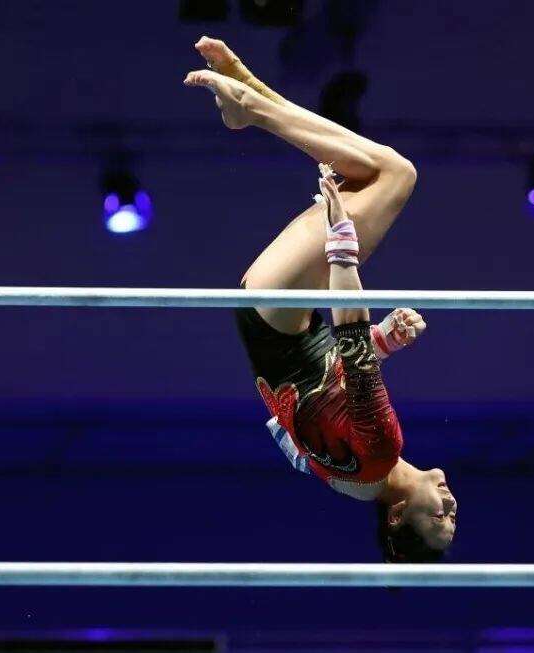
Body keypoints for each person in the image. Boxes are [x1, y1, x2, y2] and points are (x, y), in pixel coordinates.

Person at [185, 37, 457, 562]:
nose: (450, 505)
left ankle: (253, 108)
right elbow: (320, 395)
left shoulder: (381, 453)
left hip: (283, 305)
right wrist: (386, 342)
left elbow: (349, 344)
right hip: (272, 313)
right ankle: (250, 93)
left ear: (398, 516)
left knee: (397, 175)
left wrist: (341, 246)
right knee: (373, 173)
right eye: (454, 517)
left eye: (437, 519)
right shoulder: (351, 483)